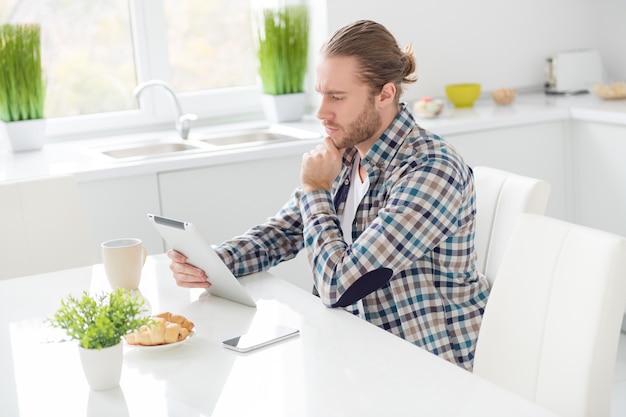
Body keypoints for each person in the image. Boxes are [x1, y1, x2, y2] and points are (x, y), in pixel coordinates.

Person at [168, 19, 490, 370]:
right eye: (321, 94)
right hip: (354, 351)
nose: (322, 112)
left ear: (385, 94)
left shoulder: (430, 171)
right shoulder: (347, 153)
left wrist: (315, 189)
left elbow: (340, 286)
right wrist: (213, 262)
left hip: (428, 366)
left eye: (337, 97)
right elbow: (284, 232)